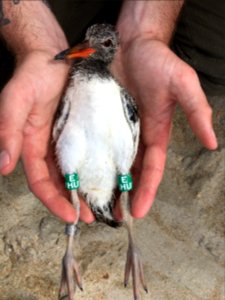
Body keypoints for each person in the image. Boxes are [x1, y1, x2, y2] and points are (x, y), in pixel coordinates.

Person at [0, 0, 219, 224]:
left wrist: (148, 25)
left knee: (218, 60)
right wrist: (33, 40)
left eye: (102, 43)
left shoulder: (117, 91)